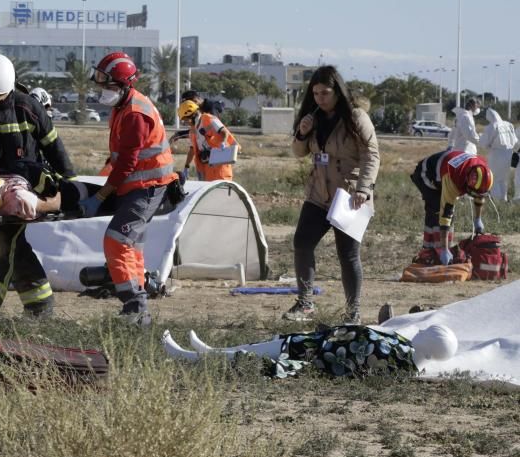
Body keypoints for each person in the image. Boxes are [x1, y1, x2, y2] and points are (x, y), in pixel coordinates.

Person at [78, 52, 178, 328]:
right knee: (131, 245)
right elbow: (120, 158)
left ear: (123, 84)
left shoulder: (134, 113)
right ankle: (139, 309)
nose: (101, 88)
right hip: (137, 186)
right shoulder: (124, 106)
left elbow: (126, 164)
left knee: (116, 242)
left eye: (106, 84)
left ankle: (133, 306)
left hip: (147, 188)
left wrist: (100, 196)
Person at [0, 54, 76, 317]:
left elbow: (54, 148)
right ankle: (39, 304)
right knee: (14, 245)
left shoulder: (28, 107)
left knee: (2, 240)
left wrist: (72, 187)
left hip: (23, 186)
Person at [288, 66, 380, 324]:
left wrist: (363, 188)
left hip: (350, 196)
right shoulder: (311, 117)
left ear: (338, 92)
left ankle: (353, 312)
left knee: (347, 255)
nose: (320, 98)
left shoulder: (356, 116)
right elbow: (298, 153)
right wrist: (302, 133)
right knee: (302, 243)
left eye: (325, 93)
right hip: (318, 194)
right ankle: (305, 304)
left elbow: (371, 154)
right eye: (315, 93)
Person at [161, 323, 457, 378]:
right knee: (259, 347)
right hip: (320, 345)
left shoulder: (397, 361)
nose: (418, 330)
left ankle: (192, 357)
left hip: (313, 354)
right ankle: (208, 350)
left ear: (430, 346)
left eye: (426, 333)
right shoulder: (405, 353)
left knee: (256, 355)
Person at [410, 149, 492, 264]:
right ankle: (430, 252)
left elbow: (479, 194)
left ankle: (442, 249)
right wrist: (444, 249)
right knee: (436, 210)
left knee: (446, 215)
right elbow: (445, 214)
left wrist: (478, 219)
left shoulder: (482, 172)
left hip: (445, 168)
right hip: (426, 174)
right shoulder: (453, 178)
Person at [177, 96, 237, 182]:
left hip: (219, 164)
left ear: (192, 115)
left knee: (221, 190)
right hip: (206, 166)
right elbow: (192, 150)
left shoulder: (208, 118)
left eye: (186, 120)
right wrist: (186, 166)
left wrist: (222, 143)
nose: (186, 123)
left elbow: (224, 132)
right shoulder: (192, 131)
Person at [478, 108, 517, 201]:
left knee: (494, 177)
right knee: (503, 179)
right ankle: (504, 198)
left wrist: (484, 141)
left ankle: (496, 200)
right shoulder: (509, 124)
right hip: (508, 153)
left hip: (496, 154)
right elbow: (515, 141)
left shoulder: (491, 126)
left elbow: (483, 143)